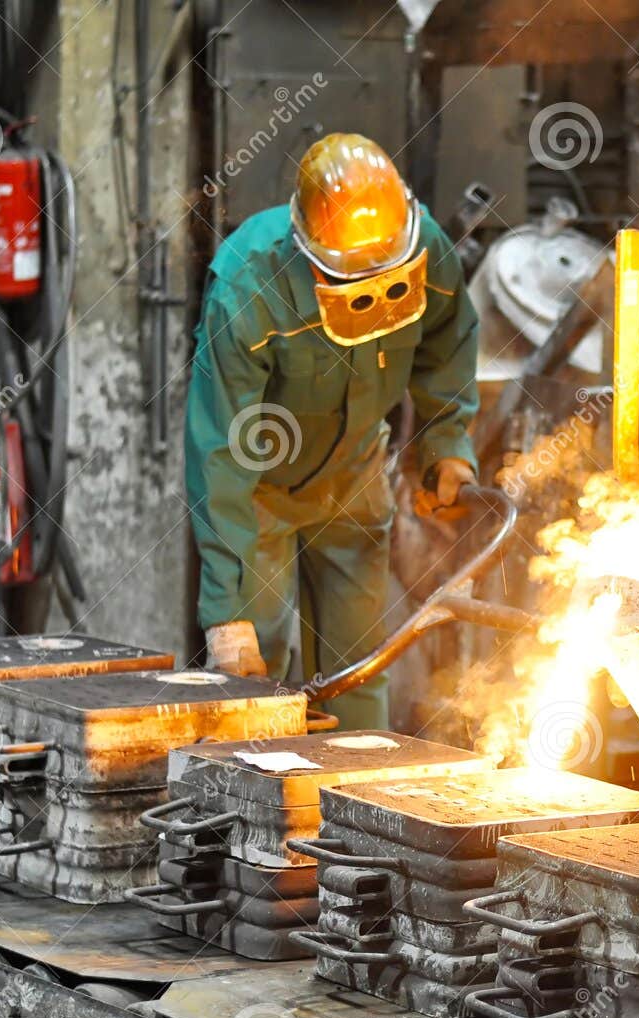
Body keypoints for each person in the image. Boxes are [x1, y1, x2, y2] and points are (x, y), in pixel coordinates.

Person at [184, 133, 478, 729]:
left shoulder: (428, 250)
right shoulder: (249, 285)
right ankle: (258, 816)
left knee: (360, 671)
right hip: (258, 493)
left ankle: (359, 815)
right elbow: (221, 446)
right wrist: (226, 611)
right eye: (353, 273)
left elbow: (447, 345)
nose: (370, 279)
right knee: (254, 685)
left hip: (354, 475)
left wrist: (445, 444)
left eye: (384, 267)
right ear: (308, 247)